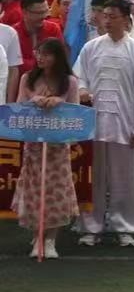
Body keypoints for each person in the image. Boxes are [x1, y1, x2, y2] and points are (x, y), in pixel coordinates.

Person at [74, 0, 134, 248]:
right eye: (105, 15)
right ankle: (90, 227)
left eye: (112, 16)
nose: (107, 21)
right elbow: (79, 77)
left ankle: (124, 226)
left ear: (126, 20)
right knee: (93, 178)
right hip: (94, 122)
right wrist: (82, 90)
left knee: (124, 179)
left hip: (124, 122)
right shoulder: (91, 47)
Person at [13, 38, 76, 261]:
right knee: (34, 189)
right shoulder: (27, 79)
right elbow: (19, 109)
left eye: (46, 54)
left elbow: (76, 114)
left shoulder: (69, 82)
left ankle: (51, 239)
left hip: (58, 147)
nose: (41, 58)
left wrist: (60, 104)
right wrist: (34, 102)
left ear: (57, 58)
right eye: (39, 53)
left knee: (56, 190)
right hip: (34, 145)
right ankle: (37, 237)